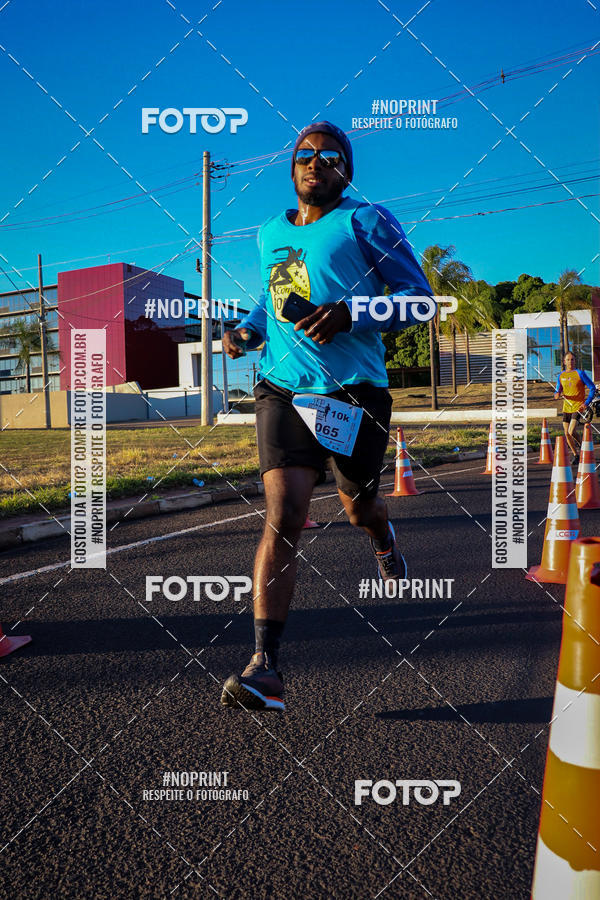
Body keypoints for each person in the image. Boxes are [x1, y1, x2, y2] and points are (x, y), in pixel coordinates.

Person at [220, 121, 434, 712]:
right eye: (305, 155)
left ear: (347, 170)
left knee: (358, 504)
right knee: (284, 513)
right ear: (291, 168)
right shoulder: (269, 232)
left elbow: (418, 299)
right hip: (284, 388)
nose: (316, 163)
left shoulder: (367, 220)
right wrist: (248, 330)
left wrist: (350, 313)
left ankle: (383, 536)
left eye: (330, 156)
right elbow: (273, 296)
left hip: (354, 392)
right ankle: (266, 667)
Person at [553, 351, 596, 466]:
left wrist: (586, 403)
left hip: (578, 407)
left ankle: (584, 448)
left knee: (571, 431)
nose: (570, 361)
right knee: (566, 433)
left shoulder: (580, 373)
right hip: (566, 407)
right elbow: (557, 390)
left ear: (575, 361)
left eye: (572, 359)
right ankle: (576, 455)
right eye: (568, 359)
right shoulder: (561, 375)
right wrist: (556, 394)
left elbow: (592, 388)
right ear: (564, 361)